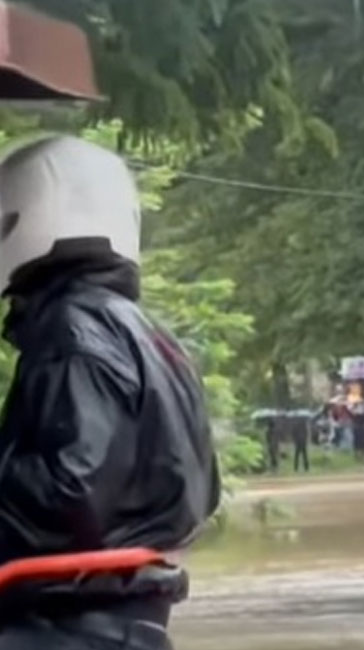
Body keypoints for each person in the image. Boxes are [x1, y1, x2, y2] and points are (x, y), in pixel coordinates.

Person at [0, 136, 220, 649]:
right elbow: (201, 490)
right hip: (123, 617)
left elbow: (71, 490)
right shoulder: (149, 334)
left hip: (59, 622)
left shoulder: (72, 330)